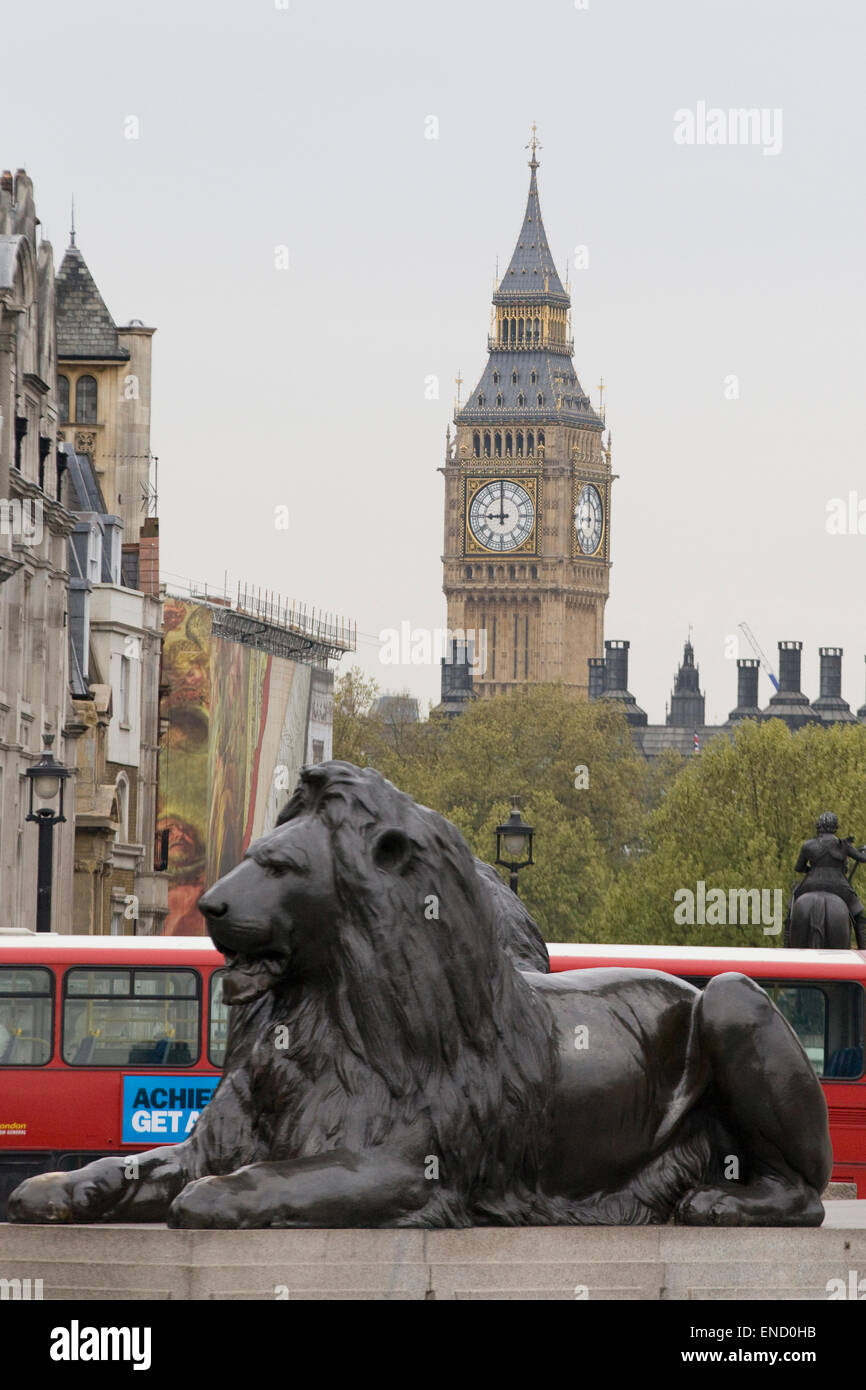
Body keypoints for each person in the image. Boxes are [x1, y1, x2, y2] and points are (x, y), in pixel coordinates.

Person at [787, 812, 866, 946]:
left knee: (791, 910)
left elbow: (798, 868)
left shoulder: (808, 845)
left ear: (819, 826)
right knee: (859, 915)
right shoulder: (843, 845)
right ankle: (863, 949)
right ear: (835, 827)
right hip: (839, 886)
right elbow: (862, 859)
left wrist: (811, 871)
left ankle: (786, 945)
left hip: (810, 884)